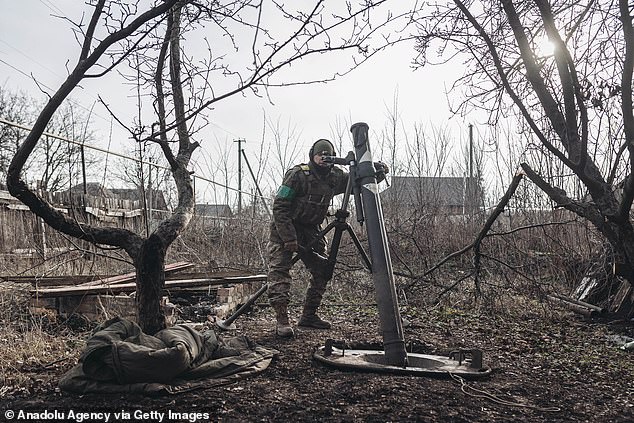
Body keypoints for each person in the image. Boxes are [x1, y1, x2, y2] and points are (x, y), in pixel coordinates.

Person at [267, 138, 388, 337]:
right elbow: (280, 206)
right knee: (280, 273)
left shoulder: (335, 176)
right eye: (320, 154)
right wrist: (289, 238)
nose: (323, 158)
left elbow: (355, 180)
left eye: (327, 155)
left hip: (311, 230)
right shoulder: (297, 175)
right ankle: (282, 321)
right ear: (312, 156)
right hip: (286, 228)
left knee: (323, 270)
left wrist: (375, 171)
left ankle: (309, 316)